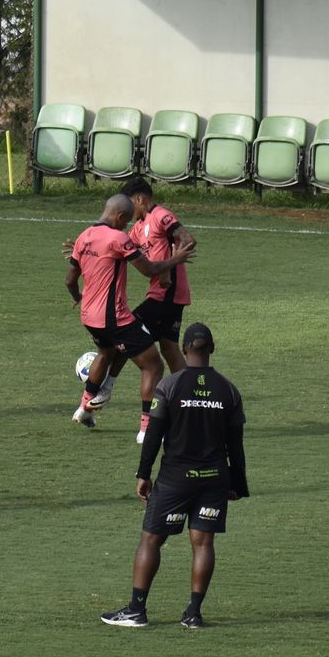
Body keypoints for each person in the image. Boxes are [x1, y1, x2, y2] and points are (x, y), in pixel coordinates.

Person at [101, 322, 249, 630]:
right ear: (212, 349)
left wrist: (143, 474)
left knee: (151, 539)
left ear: (183, 350)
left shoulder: (169, 386)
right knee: (203, 543)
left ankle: (137, 610)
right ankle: (194, 614)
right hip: (214, 477)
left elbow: (153, 435)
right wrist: (237, 484)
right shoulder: (229, 390)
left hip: (174, 479)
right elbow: (236, 445)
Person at [65, 194, 194, 444]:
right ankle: (146, 431)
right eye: (125, 223)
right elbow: (149, 269)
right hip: (113, 318)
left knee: (106, 352)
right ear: (120, 216)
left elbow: (69, 279)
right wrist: (176, 259)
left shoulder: (84, 237)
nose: (126, 228)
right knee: (153, 365)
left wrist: (78, 296)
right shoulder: (118, 238)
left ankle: (84, 409)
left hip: (89, 316)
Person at [123, 176, 194, 380]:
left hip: (168, 292)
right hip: (161, 291)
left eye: (128, 204)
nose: (127, 211)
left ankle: (105, 384)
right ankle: (187, 392)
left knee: (129, 330)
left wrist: (167, 268)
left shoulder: (161, 215)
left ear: (139, 199)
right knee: (169, 346)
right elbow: (120, 246)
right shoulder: (138, 226)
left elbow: (188, 239)